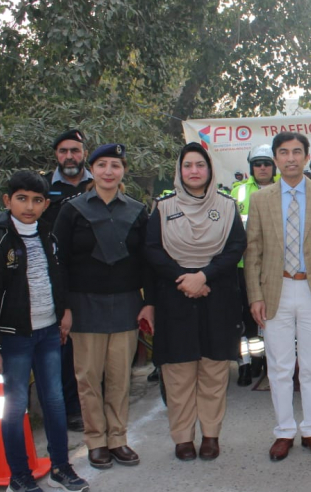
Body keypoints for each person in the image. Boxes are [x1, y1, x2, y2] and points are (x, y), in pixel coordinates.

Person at [0, 171, 89, 492]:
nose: (29, 206)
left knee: (54, 402)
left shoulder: (48, 236)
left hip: (48, 332)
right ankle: (19, 477)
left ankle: (60, 468)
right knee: (15, 407)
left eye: (37, 200)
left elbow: (58, 277)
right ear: (7, 201)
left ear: (45, 204)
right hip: (13, 339)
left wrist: (64, 310)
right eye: (22, 198)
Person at [245, 132, 311, 461]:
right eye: (284, 152)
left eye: (297, 152)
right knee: (279, 366)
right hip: (276, 291)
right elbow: (254, 251)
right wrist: (255, 295)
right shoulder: (260, 199)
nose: (290, 158)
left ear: (306, 157)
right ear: (275, 159)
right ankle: (285, 431)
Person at [53, 143, 154, 470]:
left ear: (123, 171)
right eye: (102, 165)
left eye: (115, 166)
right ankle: (96, 441)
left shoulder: (138, 211)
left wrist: (148, 303)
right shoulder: (72, 209)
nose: (109, 172)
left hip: (126, 304)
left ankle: (118, 439)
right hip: (84, 306)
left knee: (119, 378)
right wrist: (64, 307)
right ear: (91, 170)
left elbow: (147, 263)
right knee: (88, 378)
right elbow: (60, 263)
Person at [144, 143, 245, 461]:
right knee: (179, 373)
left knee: (214, 372)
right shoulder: (162, 208)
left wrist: (203, 277)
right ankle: (183, 438)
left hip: (217, 298)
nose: (194, 171)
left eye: (200, 165)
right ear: (179, 171)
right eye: (187, 165)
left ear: (210, 170)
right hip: (175, 299)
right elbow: (152, 250)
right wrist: (184, 279)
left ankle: (211, 436)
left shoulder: (227, 207)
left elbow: (235, 248)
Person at [42, 129, 90, 433]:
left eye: (75, 150)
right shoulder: (44, 187)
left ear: (84, 152)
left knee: (90, 346)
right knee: (63, 345)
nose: (69, 156)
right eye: (63, 151)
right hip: (54, 276)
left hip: (92, 278)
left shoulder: (97, 181)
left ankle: (91, 406)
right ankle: (70, 409)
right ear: (56, 155)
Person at [232, 144, 278, 386]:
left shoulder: (286, 189)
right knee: (247, 319)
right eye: (257, 164)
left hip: (275, 266)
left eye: (267, 163)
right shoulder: (238, 192)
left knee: (275, 317)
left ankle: (271, 362)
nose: (262, 168)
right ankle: (247, 364)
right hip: (243, 265)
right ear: (251, 167)